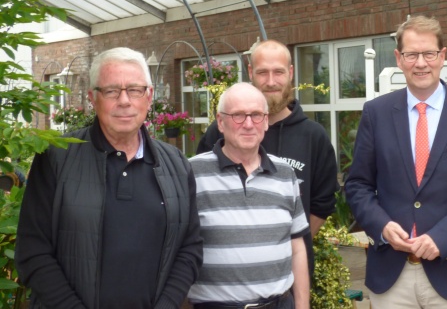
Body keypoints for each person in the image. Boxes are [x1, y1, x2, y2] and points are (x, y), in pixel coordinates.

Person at [16, 47, 203, 309]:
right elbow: (33, 251)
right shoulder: (57, 158)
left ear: (149, 97)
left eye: (135, 90)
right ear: (93, 98)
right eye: (112, 91)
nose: (124, 101)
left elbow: (189, 248)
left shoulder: (176, 165)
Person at [344, 15, 447, 308]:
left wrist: (442, 238)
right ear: (398, 58)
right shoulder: (375, 113)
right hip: (391, 276)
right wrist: (381, 226)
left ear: (442, 56)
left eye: (429, 53)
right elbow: (358, 185)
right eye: (411, 54)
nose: (421, 63)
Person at [196, 40, 338, 277]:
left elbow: (322, 205)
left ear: (290, 73)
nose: (271, 81)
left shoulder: (314, 137)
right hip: (224, 281)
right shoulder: (221, 131)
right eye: (262, 72)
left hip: (288, 278)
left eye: (279, 72)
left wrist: (283, 245)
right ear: (251, 72)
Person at [187, 83, 309, 309]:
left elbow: (297, 247)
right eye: (238, 116)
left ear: (265, 122)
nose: (249, 124)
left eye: (256, 115)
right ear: (221, 122)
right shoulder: (191, 174)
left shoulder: (285, 173)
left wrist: (303, 306)